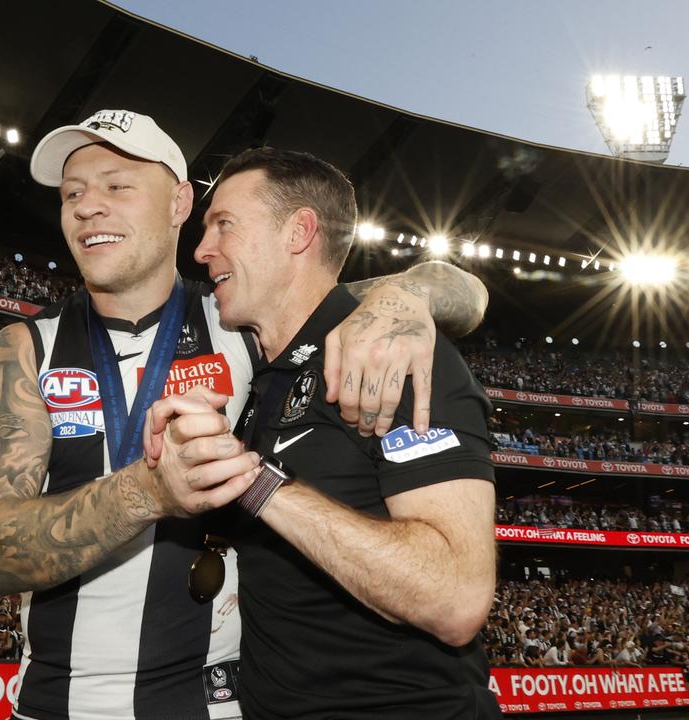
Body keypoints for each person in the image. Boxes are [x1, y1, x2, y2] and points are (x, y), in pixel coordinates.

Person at [0, 109, 488, 720]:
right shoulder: (24, 348)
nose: (87, 206)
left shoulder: (242, 321)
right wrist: (147, 493)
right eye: (72, 192)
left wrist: (407, 294)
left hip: (219, 707)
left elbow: (459, 292)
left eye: (117, 185)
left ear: (180, 203)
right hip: (58, 702)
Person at [181, 147, 500, 717]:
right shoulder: (267, 374)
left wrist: (257, 486)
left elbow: (455, 599)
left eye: (224, 224)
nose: (203, 249)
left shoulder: (387, 353)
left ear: (299, 232)